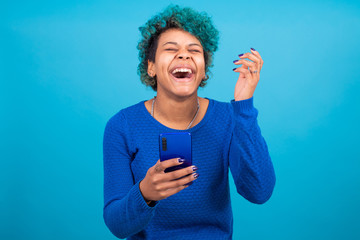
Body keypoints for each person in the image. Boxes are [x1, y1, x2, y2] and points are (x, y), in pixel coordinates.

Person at [103, 4, 276, 239]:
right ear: (151, 67)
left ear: (204, 69)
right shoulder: (122, 126)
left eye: (194, 50)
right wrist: (145, 193)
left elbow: (259, 192)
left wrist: (243, 106)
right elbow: (117, 226)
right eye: (170, 49)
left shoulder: (227, 118)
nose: (184, 55)